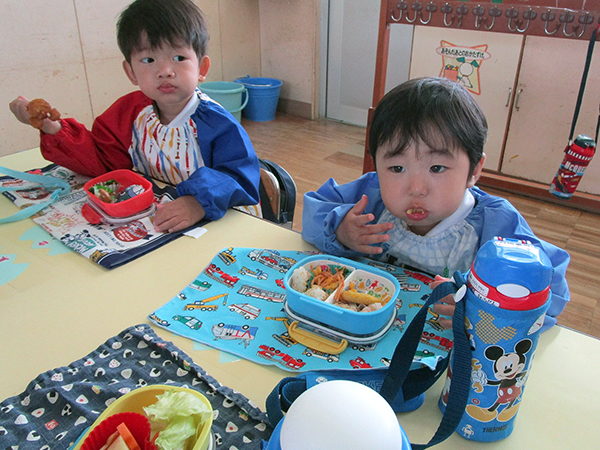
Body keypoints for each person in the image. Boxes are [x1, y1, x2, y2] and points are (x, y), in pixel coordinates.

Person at [301, 77, 570, 331]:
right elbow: (314, 209)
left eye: (437, 167)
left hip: (453, 353)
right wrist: (339, 229)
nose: (416, 188)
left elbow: (552, 287)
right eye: (396, 168)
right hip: (369, 331)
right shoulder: (370, 196)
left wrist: (485, 309)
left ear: (474, 170)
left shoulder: (495, 224)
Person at [9, 0, 260, 233]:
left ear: (202, 68)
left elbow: (238, 177)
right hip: (157, 222)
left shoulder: (218, 124)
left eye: (179, 58)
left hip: (216, 222)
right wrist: (53, 128)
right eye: (148, 59)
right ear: (130, 72)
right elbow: (101, 160)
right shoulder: (128, 113)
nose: (164, 71)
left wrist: (197, 202)